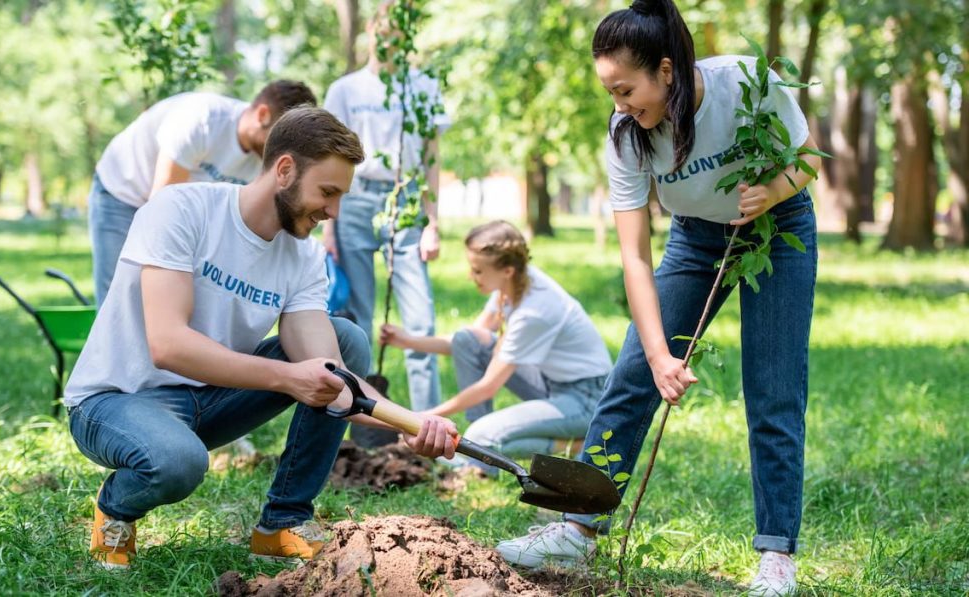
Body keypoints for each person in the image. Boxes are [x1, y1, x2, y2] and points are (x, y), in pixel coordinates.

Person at [495, 2, 821, 595]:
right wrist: (658, 355)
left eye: (625, 90)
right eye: (610, 93)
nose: (619, 106)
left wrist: (772, 192)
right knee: (629, 378)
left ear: (666, 71)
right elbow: (636, 257)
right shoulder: (627, 136)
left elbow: (806, 157)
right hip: (695, 237)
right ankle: (576, 527)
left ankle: (778, 555)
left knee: (774, 388)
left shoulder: (749, 86)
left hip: (779, 230)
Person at [64, 107, 457, 570]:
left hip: (209, 401)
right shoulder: (182, 209)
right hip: (116, 401)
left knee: (345, 337)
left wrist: (410, 424)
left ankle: (282, 523)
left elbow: (333, 376)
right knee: (177, 462)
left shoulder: (304, 257)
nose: (333, 212)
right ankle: (115, 511)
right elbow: (167, 344)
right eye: (327, 192)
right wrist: (288, 378)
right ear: (285, 170)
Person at [380, 221, 611, 471]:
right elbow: (468, 340)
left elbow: (487, 387)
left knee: (484, 436)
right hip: (550, 384)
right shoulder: (512, 284)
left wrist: (426, 417)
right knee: (466, 340)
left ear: (507, 270)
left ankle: (571, 445)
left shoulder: (535, 311)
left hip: (586, 400)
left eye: (478, 271)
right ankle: (475, 449)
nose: (472, 276)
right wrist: (407, 341)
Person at [322, 1, 450, 411]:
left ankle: (426, 421)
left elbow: (432, 157)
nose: (388, 37)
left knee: (419, 318)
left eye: (398, 29)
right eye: (382, 27)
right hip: (355, 199)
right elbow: (329, 155)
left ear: (408, 34)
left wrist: (433, 221)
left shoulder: (424, 85)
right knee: (356, 315)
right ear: (371, 31)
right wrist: (329, 225)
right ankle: (354, 411)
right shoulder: (346, 90)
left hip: (406, 198)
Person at [89, 80, 316, 305]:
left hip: (172, 206)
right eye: (281, 138)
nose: (283, 151)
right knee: (121, 294)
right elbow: (161, 206)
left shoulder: (268, 158)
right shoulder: (202, 119)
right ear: (263, 114)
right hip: (122, 191)